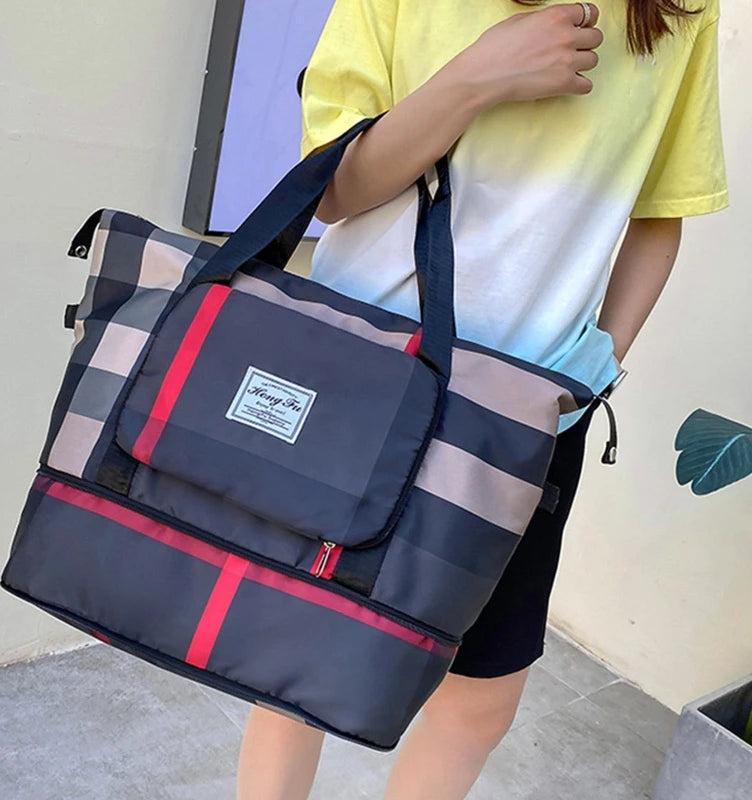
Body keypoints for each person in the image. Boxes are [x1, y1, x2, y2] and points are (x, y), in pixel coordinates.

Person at [236, 1, 729, 797]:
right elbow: (334, 192)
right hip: (368, 370)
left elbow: (659, 212)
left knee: (480, 695)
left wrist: (593, 371)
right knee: (300, 651)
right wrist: (475, 77)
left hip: (528, 412)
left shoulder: (677, 10)